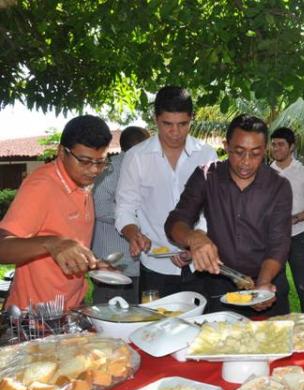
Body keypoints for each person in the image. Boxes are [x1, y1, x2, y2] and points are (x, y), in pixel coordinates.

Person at [165, 114, 293, 317]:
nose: (246, 162)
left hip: (267, 282)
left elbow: (279, 242)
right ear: (226, 146)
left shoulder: (279, 186)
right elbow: (175, 221)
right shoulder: (207, 177)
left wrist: (262, 284)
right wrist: (194, 238)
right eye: (239, 152)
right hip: (220, 288)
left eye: (256, 154)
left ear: (265, 150)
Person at [0, 115, 113, 310]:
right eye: (85, 161)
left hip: (70, 308)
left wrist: (92, 262)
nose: (94, 170)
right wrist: (51, 243)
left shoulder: (82, 183)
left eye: (101, 162)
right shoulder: (41, 186)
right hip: (35, 317)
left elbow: (68, 241)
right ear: (61, 152)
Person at [115, 86, 217, 299]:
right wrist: (133, 234)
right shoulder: (136, 157)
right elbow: (125, 207)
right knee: (154, 329)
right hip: (155, 264)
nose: (175, 132)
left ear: (191, 119)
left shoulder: (206, 154)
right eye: (167, 124)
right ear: (155, 119)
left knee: (201, 328)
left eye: (182, 124)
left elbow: (213, 209)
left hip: (199, 262)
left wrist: (195, 243)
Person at [92, 126, 150, 304]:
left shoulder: (147, 166)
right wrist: (132, 222)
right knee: (112, 315)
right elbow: (99, 206)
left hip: (139, 263)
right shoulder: (112, 168)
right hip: (113, 264)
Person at [270, 127, 304, 313]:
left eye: (281, 144)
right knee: (277, 286)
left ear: (291, 147)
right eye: (273, 144)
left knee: (303, 286)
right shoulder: (265, 174)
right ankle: (280, 324)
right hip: (272, 239)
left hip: (296, 237)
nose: (276, 148)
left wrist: (294, 218)